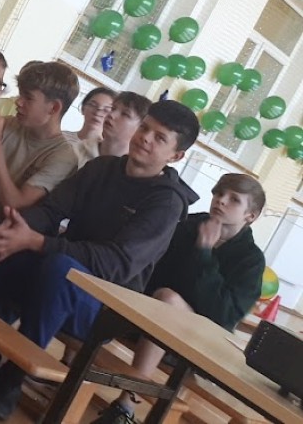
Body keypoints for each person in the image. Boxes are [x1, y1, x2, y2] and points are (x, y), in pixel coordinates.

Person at [0, 100, 200, 420]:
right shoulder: (102, 168)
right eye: (145, 128)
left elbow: (116, 263)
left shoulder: (167, 203)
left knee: (59, 267)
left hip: (105, 309)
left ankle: (12, 378)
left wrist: (37, 241)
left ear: (176, 156)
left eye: (160, 138)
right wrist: (17, 229)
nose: (146, 138)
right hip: (58, 276)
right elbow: (51, 211)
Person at [94, 173, 266, 424]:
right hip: (150, 319)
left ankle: (125, 406)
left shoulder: (251, 260)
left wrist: (204, 254)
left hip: (201, 339)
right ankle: (77, 375)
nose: (221, 201)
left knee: (169, 300)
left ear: (250, 216)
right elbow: (152, 269)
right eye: (219, 194)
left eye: (234, 200)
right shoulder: (188, 225)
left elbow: (223, 316)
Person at [0, 61, 79, 221]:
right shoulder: (7, 124)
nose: (18, 102)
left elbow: (15, 206)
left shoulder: (64, 156)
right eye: (20, 95)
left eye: (28, 98)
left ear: (53, 108)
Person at [75, 91, 151, 167]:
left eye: (125, 114)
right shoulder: (76, 151)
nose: (111, 115)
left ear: (140, 128)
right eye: (113, 109)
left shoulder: (133, 168)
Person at [63, 87, 116, 164]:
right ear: (83, 108)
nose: (98, 113)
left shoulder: (106, 153)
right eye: (93, 105)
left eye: (106, 110)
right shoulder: (60, 137)